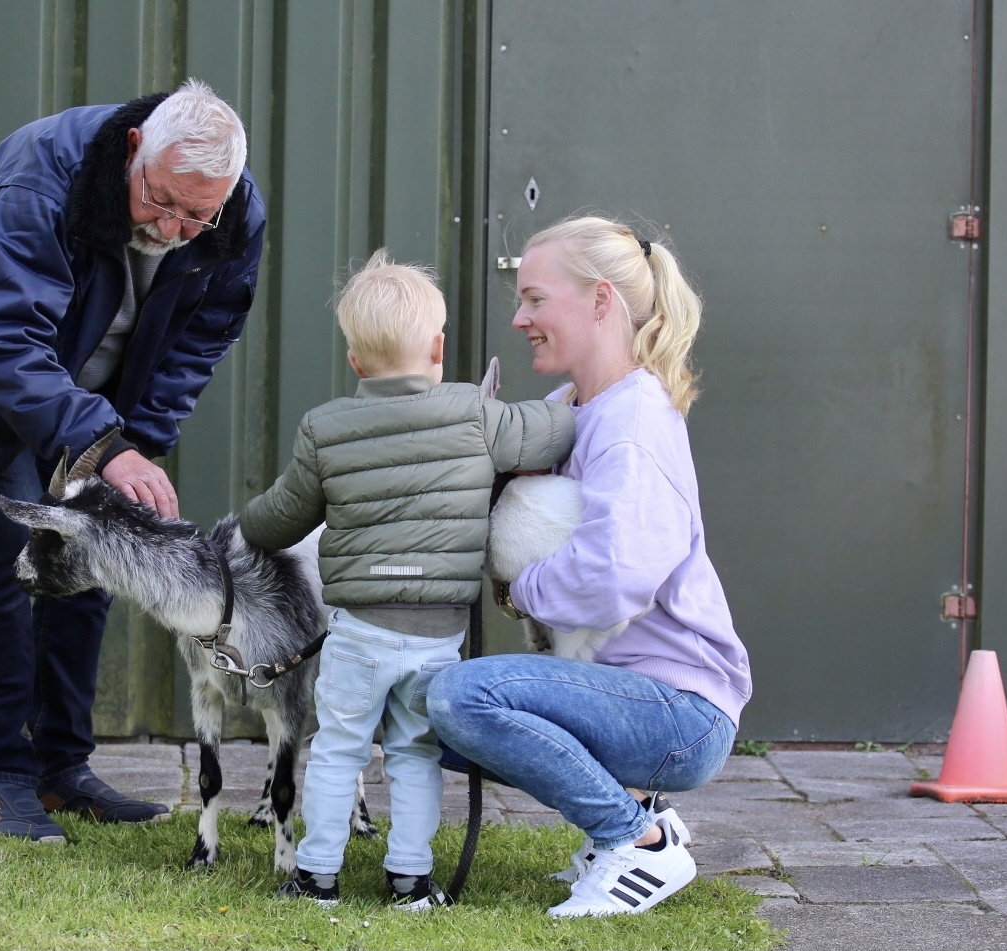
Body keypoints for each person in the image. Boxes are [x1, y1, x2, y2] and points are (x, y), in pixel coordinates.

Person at [0, 78, 265, 844]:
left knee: (96, 550)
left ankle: (63, 768)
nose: (179, 227)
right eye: (163, 203)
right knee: (13, 544)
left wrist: (130, 441)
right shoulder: (41, 177)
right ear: (133, 152)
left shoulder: (228, 211)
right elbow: (6, 337)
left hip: (93, 391)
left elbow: (202, 335)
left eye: (199, 213)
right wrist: (104, 445)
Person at [426, 216, 752, 918]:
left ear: (601, 300)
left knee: (461, 697)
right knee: (410, 698)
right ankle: (629, 808)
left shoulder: (634, 422)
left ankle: (637, 839)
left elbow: (613, 580)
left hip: (678, 709)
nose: (520, 317)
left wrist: (519, 590)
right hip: (627, 693)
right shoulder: (573, 407)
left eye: (536, 300)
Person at [238, 249, 575, 909]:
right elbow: (553, 432)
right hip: (435, 633)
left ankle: (317, 878)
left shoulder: (325, 428)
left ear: (356, 361)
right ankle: (410, 882)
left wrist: (248, 523)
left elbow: (278, 519)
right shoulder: (475, 414)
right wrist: (584, 394)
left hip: (359, 628)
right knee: (415, 755)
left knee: (338, 748)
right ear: (439, 347)